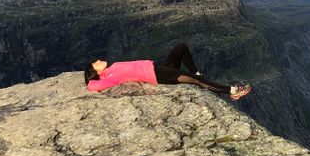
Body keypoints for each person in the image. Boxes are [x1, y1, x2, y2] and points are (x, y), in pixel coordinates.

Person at [84, 42, 251, 100]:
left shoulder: (112, 68)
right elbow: (92, 86)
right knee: (196, 81)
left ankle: (197, 73)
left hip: (159, 68)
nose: (98, 61)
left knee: (181, 47)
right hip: (158, 75)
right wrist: (90, 80)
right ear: (96, 71)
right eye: (95, 63)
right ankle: (233, 91)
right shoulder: (111, 76)